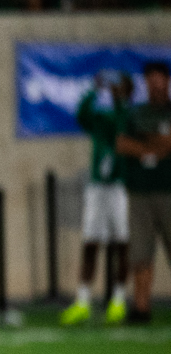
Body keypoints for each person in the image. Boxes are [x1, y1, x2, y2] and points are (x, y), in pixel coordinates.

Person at [62, 70, 131, 324]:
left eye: (119, 87)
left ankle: (119, 300)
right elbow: (81, 115)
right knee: (91, 242)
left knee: (122, 243)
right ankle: (82, 301)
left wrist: (120, 100)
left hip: (120, 186)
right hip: (97, 187)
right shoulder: (101, 120)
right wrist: (94, 90)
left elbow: (126, 123)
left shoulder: (127, 118)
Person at [116, 60, 171, 324]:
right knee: (140, 254)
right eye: (151, 79)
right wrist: (153, 146)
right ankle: (141, 307)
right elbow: (124, 143)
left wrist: (145, 139)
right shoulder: (136, 113)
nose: (156, 84)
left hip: (168, 190)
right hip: (140, 192)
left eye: (160, 79)